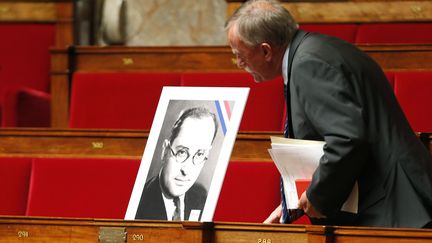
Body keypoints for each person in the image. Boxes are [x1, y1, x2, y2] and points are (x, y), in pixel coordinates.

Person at [226, 0, 432, 228]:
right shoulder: (314, 50)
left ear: (265, 50)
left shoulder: (309, 63)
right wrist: (296, 203)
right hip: (385, 200)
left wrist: (317, 196)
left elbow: (347, 139)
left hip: (391, 209)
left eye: (239, 54)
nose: (238, 63)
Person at [135, 107, 219, 221]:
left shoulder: (202, 197)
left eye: (199, 154)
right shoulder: (138, 204)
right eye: (182, 152)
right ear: (165, 150)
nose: (186, 170)